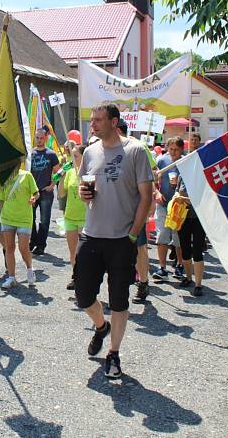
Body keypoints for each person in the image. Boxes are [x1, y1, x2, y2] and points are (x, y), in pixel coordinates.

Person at [75, 103, 153, 378]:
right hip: (92, 234)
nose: (92, 124)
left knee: (119, 300)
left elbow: (146, 197)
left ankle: (113, 353)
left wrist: (133, 234)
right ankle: (100, 327)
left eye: (98, 120)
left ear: (114, 121)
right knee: (83, 295)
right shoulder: (90, 151)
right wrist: (83, 194)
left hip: (122, 238)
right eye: (92, 120)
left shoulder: (135, 150)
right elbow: (82, 186)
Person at [114, 119, 157, 301]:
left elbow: (153, 173)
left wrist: (150, 204)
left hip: (135, 209)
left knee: (139, 248)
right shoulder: (104, 148)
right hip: (114, 209)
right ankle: (116, 288)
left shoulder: (139, 148)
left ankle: (144, 283)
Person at [0, 165, 40, 289]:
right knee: (9, 247)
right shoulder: (3, 177)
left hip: (24, 218)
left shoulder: (27, 175)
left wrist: (33, 198)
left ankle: (30, 268)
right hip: (7, 217)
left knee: (23, 248)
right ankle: (11, 277)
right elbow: (1, 199)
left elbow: (36, 193)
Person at [175, 133, 207, 296]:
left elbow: (202, 198)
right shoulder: (181, 176)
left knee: (197, 252)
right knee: (185, 250)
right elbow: (177, 193)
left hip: (198, 218)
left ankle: (199, 284)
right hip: (183, 218)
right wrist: (177, 197)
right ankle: (188, 277)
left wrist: (184, 198)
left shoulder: (201, 177)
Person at [152, 136, 185, 281]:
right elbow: (152, 180)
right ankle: (162, 267)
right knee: (162, 236)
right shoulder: (161, 160)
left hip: (178, 206)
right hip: (163, 204)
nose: (173, 152)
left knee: (178, 238)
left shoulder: (186, 161)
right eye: (171, 149)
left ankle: (179, 265)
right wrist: (157, 192)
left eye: (176, 149)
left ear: (181, 149)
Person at [57, 144, 86, 290]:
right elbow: (61, 194)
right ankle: (76, 277)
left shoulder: (89, 172)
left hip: (85, 218)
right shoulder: (70, 172)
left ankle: (86, 279)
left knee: (84, 254)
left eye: (75, 156)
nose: (72, 159)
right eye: (72, 156)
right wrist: (62, 177)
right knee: (73, 252)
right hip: (70, 217)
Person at [29, 128, 61, 255]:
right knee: (30, 218)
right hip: (32, 191)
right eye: (37, 137)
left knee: (44, 220)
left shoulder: (51, 154)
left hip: (46, 191)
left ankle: (41, 245)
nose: (39, 140)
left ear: (46, 138)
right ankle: (33, 241)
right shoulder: (31, 154)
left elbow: (59, 172)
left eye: (41, 138)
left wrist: (52, 185)